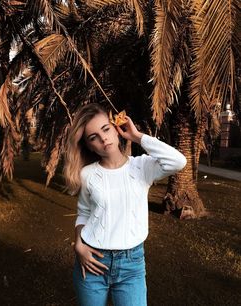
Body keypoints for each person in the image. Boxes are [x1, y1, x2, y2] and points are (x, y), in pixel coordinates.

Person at [63, 103, 187, 306]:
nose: (103, 138)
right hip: (92, 261)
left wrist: (137, 136)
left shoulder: (142, 166)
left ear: (116, 128)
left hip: (132, 265)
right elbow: (84, 212)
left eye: (105, 129)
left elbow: (178, 161)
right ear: (88, 145)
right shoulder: (87, 175)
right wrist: (78, 244)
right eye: (93, 137)